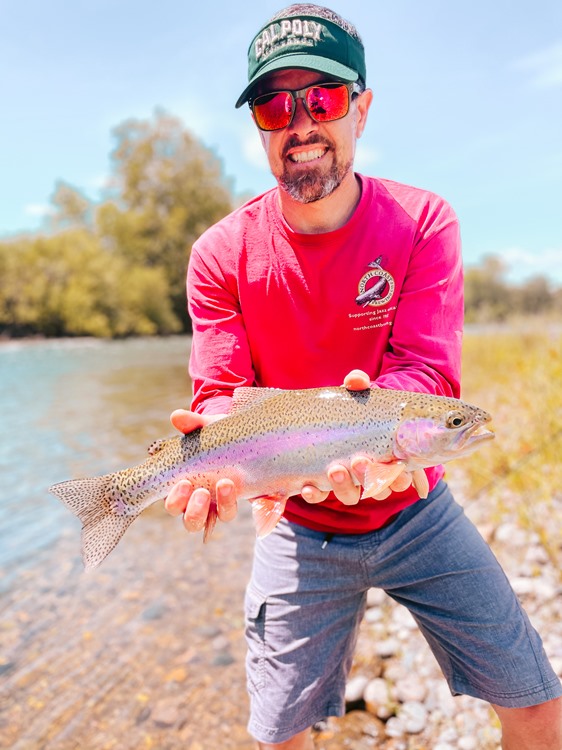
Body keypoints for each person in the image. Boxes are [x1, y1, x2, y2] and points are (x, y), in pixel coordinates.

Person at [165, 5, 562, 748]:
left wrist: (389, 457)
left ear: (362, 107)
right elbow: (218, 399)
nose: (300, 121)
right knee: (275, 737)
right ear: (258, 122)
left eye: (324, 98)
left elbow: (426, 376)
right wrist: (206, 469)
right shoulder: (219, 253)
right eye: (275, 104)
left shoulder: (421, 222)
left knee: (540, 705)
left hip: (417, 511)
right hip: (297, 527)